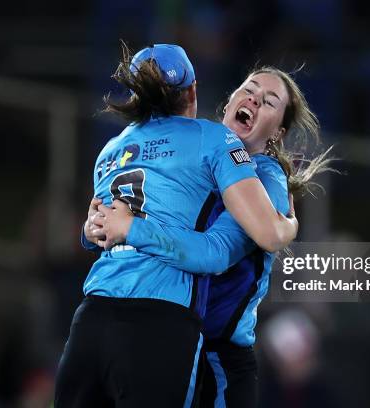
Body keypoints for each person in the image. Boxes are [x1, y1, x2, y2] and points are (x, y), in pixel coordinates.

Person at [54, 43, 298, 408]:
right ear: (224, 98)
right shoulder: (205, 148)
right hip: (171, 330)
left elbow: (223, 250)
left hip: (218, 356)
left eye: (269, 101)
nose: (255, 99)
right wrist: (93, 231)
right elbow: (110, 222)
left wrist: (285, 227)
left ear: (278, 132)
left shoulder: (265, 177)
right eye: (249, 89)